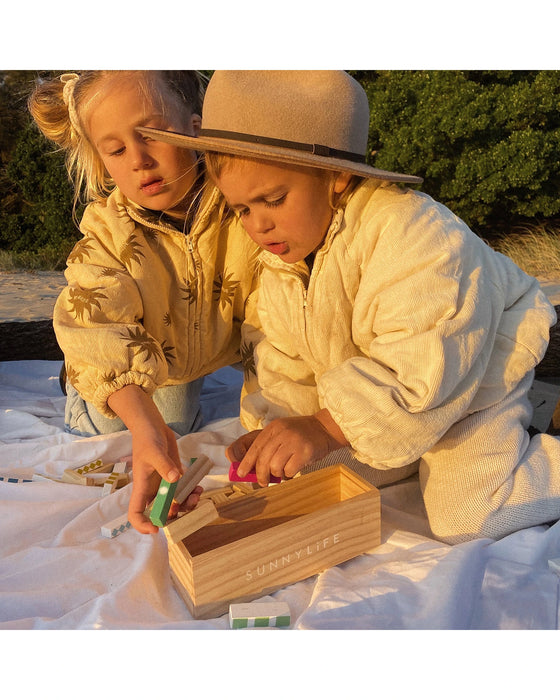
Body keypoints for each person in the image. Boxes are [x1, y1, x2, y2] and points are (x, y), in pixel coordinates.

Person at [139, 69, 560, 545]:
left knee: (468, 517)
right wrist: (275, 430)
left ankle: (542, 455)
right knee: (304, 478)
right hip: (391, 401)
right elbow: (283, 357)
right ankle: (405, 449)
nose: (258, 225)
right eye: (241, 209)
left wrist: (324, 426)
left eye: (273, 200)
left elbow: (422, 364)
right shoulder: (283, 257)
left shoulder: (414, 233)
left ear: (336, 175)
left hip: (471, 376)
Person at [28, 71, 260, 534]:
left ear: (196, 128)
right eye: (115, 151)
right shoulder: (107, 233)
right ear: (103, 162)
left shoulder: (248, 204)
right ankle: (74, 382)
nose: (139, 160)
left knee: (173, 422)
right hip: (134, 352)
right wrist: (142, 423)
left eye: (152, 134)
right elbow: (95, 321)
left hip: (188, 360)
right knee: (126, 433)